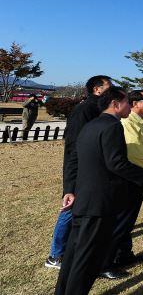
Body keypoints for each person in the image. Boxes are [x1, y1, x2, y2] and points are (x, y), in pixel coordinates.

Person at [54, 87, 143, 295]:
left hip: (84, 199)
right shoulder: (112, 127)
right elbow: (117, 163)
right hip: (100, 203)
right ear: (115, 104)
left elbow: (74, 160)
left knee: (74, 253)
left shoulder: (91, 125)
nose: (130, 105)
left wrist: (70, 190)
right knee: (89, 257)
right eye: (127, 101)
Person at [45, 75, 111, 270]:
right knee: (71, 205)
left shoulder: (101, 108)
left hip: (96, 165)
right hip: (81, 166)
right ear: (97, 89)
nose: (112, 88)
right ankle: (55, 255)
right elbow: (74, 144)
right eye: (109, 86)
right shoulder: (84, 109)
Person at [98, 90, 143, 279]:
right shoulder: (127, 123)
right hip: (133, 179)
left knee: (128, 221)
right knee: (121, 222)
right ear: (135, 103)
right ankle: (105, 264)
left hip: (140, 177)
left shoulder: (138, 122)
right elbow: (133, 154)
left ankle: (123, 254)